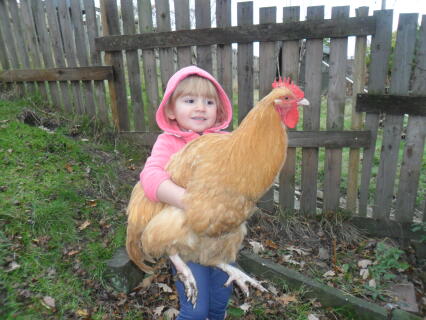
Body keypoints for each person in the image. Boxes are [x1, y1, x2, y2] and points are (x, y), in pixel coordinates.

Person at [140, 66, 233, 320]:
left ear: (219, 109)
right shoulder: (169, 141)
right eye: (190, 100)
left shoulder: (226, 141)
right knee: (195, 309)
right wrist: (189, 201)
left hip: (221, 238)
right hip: (185, 239)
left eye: (209, 102)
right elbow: (150, 178)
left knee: (220, 300)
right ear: (171, 109)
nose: (200, 108)